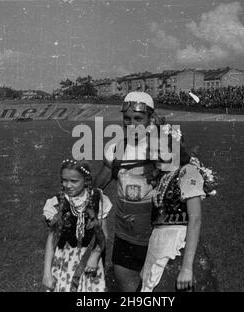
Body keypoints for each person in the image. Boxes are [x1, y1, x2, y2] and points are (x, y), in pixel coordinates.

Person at [94, 91, 162, 291]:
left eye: (138, 119)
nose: (131, 124)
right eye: (127, 119)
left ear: (151, 118)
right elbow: (100, 183)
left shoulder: (165, 147)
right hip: (125, 235)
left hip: (156, 235)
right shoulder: (115, 148)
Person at [140, 126, 218, 292]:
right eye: (152, 150)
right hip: (158, 245)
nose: (155, 155)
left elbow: (195, 219)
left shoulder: (187, 173)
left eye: (160, 150)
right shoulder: (163, 176)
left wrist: (187, 268)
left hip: (178, 246)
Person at [42, 158, 112, 292]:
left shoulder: (98, 200)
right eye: (64, 180)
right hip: (64, 261)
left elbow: (104, 234)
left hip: (90, 260)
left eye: (74, 181)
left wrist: (95, 256)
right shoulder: (57, 203)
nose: (68, 185)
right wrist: (47, 273)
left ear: (86, 180)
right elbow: (52, 239)